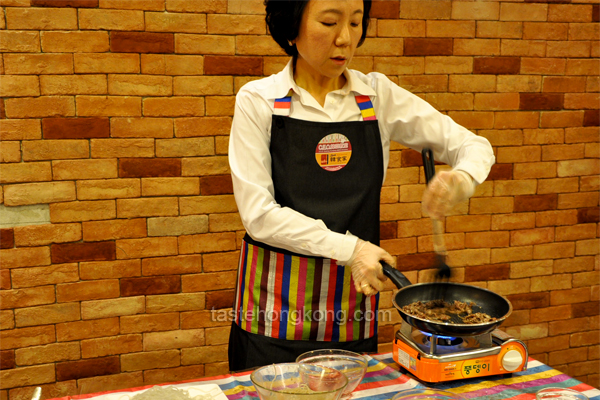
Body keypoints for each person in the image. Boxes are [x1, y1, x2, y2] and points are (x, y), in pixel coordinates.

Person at [227, 0, 494, 371]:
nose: (345, 39)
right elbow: (259, 215)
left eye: (355, 22)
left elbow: (473, 145)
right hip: (271, 318)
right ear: (292, 28)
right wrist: (351, 249)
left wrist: (462, 180)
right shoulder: (260, 101)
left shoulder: (376, 97)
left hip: (350, 315)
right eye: (329, 22)